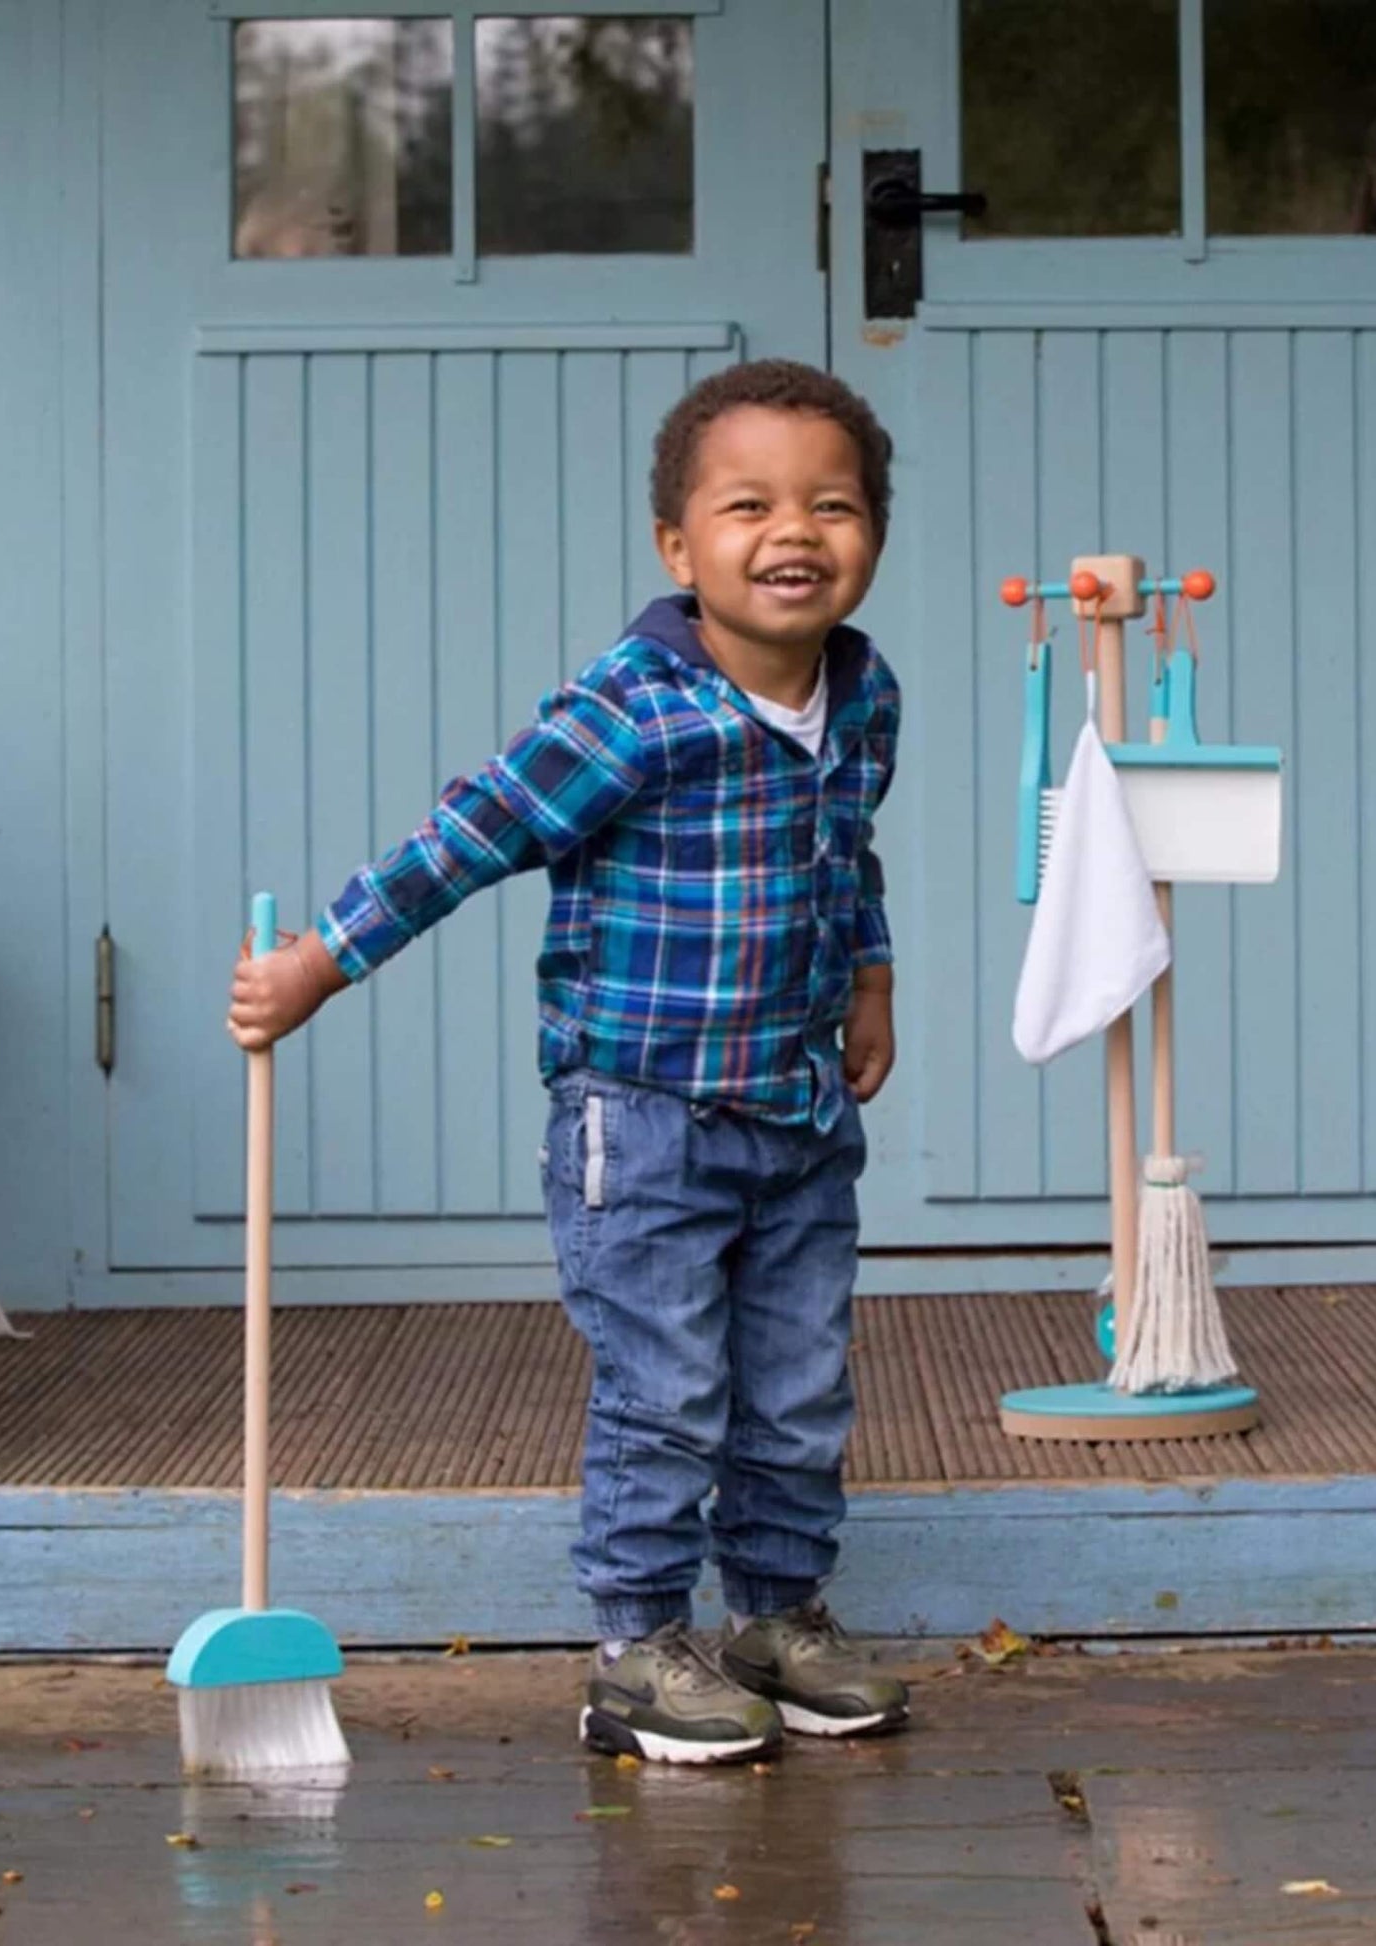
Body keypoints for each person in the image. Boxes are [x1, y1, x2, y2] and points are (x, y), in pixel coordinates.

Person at [227, 360, 908, 1765]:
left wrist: (871, 975)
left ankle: (776, 1615)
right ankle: (638, 1647)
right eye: (747, 506)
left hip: (794, 1109)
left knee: (794, 1383)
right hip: (642, 1115)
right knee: (666, 1388)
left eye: (829, 505)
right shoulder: (633, 708)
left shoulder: (862, 692)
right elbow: (468, 833)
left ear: (872, 537)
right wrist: (321, 958)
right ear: (679, 546)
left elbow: (850, 854)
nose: (792, 532)